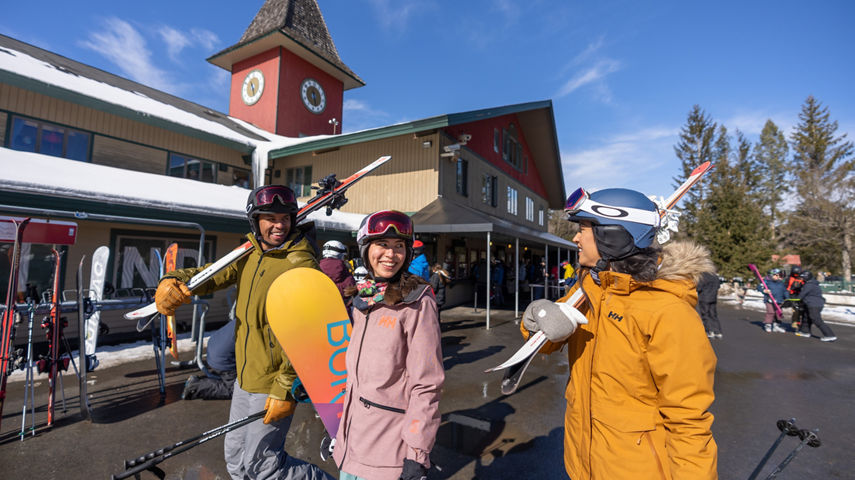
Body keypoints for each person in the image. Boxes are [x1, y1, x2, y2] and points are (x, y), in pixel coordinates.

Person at [520, 187, 718, 479]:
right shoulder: (589, 289)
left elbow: (688, 420)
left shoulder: (668, 312)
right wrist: (536, 318)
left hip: (635, 469)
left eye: (583, 228)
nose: (575, 238)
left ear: (613, 235)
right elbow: (543, 341)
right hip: (583, 462)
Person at [154, 184, 331, 480]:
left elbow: (305, 334)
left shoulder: (300, 263)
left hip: (273, 383)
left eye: (285, 218)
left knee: (264, 466)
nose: (279, 225)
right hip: (244, 379)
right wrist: (174, 279)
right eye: (270, 218)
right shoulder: (249, 253)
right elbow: (211, 274)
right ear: (255, 220)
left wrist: (285, 387)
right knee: (236, 461)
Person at [334, 210, 444, 480]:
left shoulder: (417, 303)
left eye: (399, 247)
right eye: (382, 244)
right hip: (351, 446)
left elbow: (427, 384)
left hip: (388, 453)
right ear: (365, 249)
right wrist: (339, 433)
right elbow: (358, 375)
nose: (391, 254)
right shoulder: (364, 299)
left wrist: (416, 454)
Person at [182, 318, 237, 400]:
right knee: (237, 391)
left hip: (214, 346)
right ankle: (195, 386)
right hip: (222, 358)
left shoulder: (244, 315)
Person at [794, 270, 836, 342]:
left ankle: (830, 335)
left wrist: (795, 300)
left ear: (807, 277)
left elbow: (801, 295)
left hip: (814, 304)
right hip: (812, 303)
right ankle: (805, 332)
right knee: (806, 317)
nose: (802, 279)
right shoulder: (812, 283)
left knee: (816, 319)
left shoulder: (809, 285)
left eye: (803, 277)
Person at [759, 268, 787, 333]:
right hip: (770, 300)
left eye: (779, 275)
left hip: (779, 301)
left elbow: (785, 291)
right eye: (776, 275)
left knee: (778, 313)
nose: (778, 277)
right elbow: (759, 287)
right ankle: (768, 324)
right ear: (772, 275)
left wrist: (787, 297)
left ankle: (776, 326)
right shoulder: (767, 281)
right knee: (770, 312)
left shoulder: (781, 283)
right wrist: (764, 290)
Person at [697, 271, 723, 338]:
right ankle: (717, 331)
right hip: (713, 297)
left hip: (704, 298)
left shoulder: (703, 276)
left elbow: (699, 287)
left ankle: (709, 331)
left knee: (705, 314)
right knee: (713, 315)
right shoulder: (714, 275)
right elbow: (718, 286)